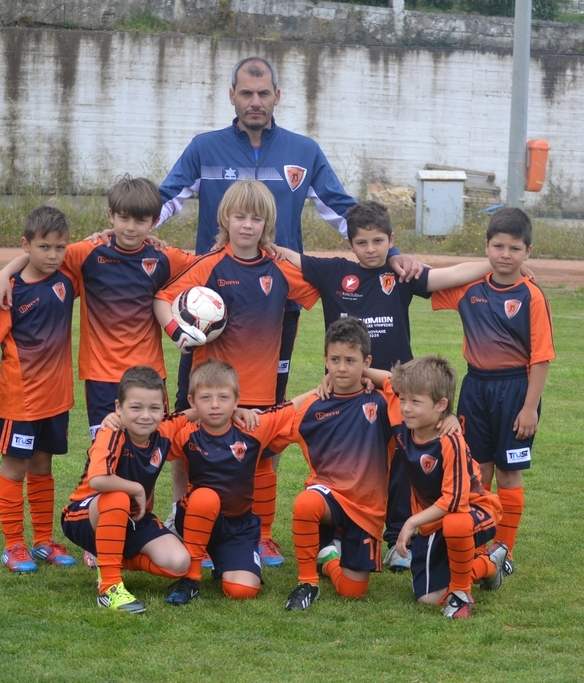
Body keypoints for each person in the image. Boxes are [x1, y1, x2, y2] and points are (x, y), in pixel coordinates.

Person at [155, 58, 422, 562]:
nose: (255, 102)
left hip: (277, 305)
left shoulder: (304, 151)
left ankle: (257, 526)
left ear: (277, 96)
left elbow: (344, 211)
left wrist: (390, 253)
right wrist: (125, 230)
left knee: (265, 423)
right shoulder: (204, 147)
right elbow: (165, 200)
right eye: (246, 93)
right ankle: (182, 511)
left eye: (263, 93)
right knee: (196, 415)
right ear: (232, 95)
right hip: (209, 316)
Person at [274, 200, 508, 572]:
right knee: (349, 462)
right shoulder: (334, 272)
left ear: (391, 239)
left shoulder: (401, 274)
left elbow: (449, 275)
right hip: (350, 393)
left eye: (378, 241)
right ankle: (339, 531)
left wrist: (498, 263)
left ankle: (399, 540)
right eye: (362, 242)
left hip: (398, 391)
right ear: (350, 243)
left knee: (403, 463)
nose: (370, 249)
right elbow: (289, 257)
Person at [154, 179, 319, 567]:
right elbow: (163, 298)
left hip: (260, 388)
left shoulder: (279, 268)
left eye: (256, 219)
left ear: (267, 224)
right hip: (213, 390)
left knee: (261, 460)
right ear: (225, 219)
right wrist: (177, 332)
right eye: (240, 216)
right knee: (200, 459)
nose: (247, 225)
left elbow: (321, 286)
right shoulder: (210, 265)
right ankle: (186, 520)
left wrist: (288, 254)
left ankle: (263, 535)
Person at [0, 176, 195, 439]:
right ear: (111, 216)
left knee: (147, 449)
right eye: (124, 218)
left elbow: (205, 266)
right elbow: (41, 255)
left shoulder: (163, 257)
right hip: (101, 374)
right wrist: (4, 273)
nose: (131, 228)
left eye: (141, 221)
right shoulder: (88, 252)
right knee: (105, 446)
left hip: (149, 371)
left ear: (154, 222)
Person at [431, 208, 555, 575]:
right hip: (475, 389)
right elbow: (426, 282)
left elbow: (541, 358)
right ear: (486, 247)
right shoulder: (470, 288)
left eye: (514, 248)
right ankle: (480, 546)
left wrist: (530, 407)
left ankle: (505, 550)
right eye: (498, 246)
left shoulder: (532, 296)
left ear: (527, 252)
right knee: (478, 471)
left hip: (516, 391)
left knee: (509, 473)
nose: (505, 255)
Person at [0, 206, 78, 572]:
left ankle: (43, 540)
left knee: (43, 466)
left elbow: (98, 249)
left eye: (60, 247)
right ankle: (13, 544)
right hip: (21, 401)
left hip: (56, 400)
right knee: (15, 467)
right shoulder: (10, 292)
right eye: (44, 247)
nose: (53, 255)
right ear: (26, 245)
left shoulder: (67, 279)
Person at [370, 355, 508, 619]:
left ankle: (461, 593)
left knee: (456, 522)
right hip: (433, 521)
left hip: (475, 510)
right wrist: (359, 373)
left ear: (441, 405)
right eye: (403, 399)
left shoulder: (450, 441)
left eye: (415, 402)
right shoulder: (403, 419)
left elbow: (454, 502)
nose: (406, 407)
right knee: (427, 598)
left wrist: (410, 522)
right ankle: (489, 564)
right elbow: (389, 381)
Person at [277, 317, 398, 611]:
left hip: (367, 510)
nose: (341, 368)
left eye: (350, 360)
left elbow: (403, 384)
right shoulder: (313, 406)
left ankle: (329, 559)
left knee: (352, 592)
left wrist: (369, 375)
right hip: (329, 499)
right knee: (306, 502)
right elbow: (275, 421)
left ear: (366, 362)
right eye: (335, 360)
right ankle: (307, 582)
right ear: (325, 360)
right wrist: (311, 392)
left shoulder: (382, 403)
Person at [162, 360, 304, 605]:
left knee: (242, 589)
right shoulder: (185, 433)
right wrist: (192, 414)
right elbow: (153, 428)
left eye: (223, 398)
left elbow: (292, 408)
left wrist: (326, 386)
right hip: (196, 517)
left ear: (237, 399)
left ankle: (223, 559)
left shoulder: (252, 427)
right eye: (205, 398)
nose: (215, 405)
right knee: (205, 497)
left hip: (239, 527)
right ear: (192, 401)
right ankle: (191, 577)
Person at [60, 366, 192, 613]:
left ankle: (108, 558)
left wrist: (236, 411)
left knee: (179, 563)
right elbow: (98, 479)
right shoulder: (112, 431)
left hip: (134, 518)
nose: (146, 416)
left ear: (164, 409)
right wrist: (136, 489)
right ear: (118, 408)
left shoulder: (165, 429)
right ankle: (109, 588)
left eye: (155, 408)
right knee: (118, 497)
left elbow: (197, 412)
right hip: (86, 515)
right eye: (136, 407)